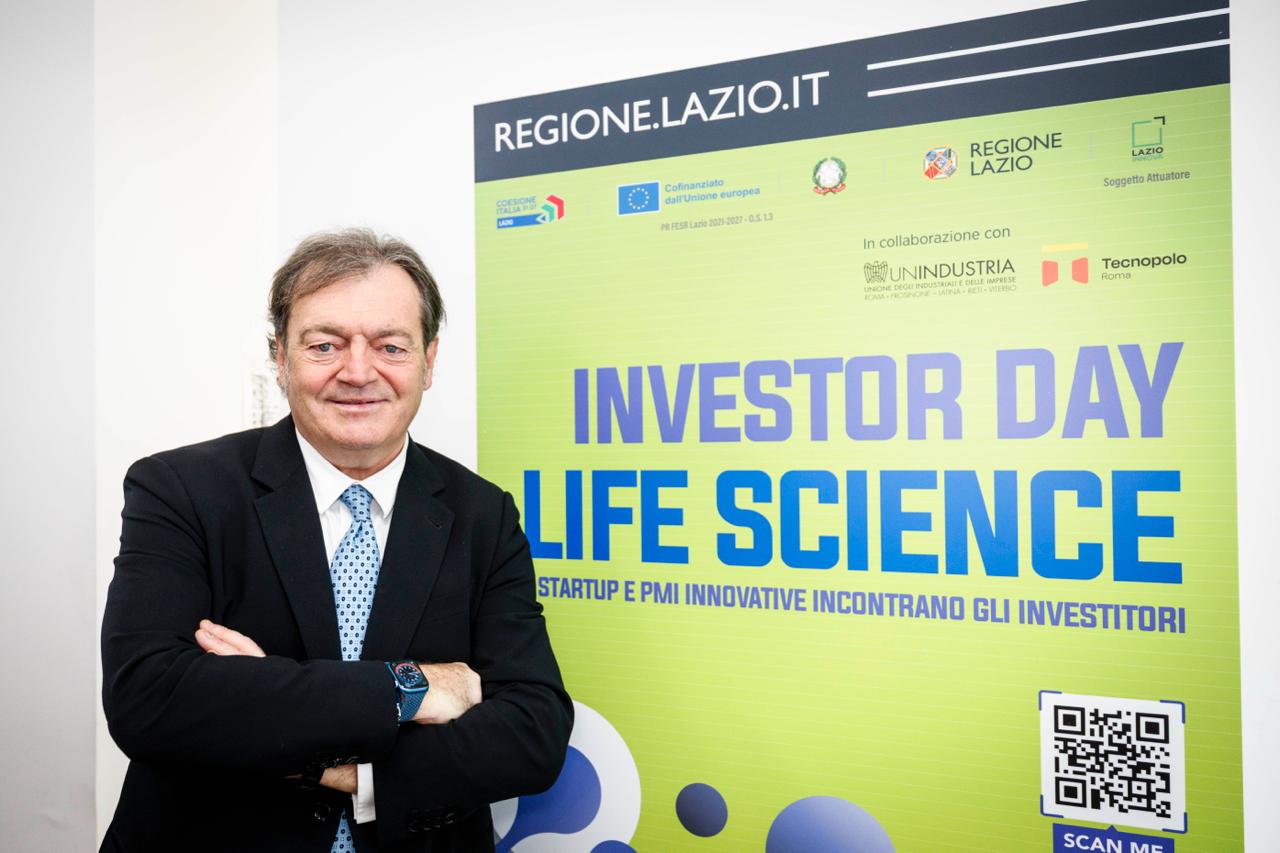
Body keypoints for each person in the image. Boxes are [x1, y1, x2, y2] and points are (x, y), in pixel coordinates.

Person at [100, 229, 572, 852]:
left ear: (429, 361)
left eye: (390, 346)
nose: (358, 372)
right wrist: (413, 688)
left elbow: (533, 733)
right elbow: (148, 699)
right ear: (281, 357)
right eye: (325, 345)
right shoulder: (180, 490)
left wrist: (334, 766)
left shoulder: (483, 514)